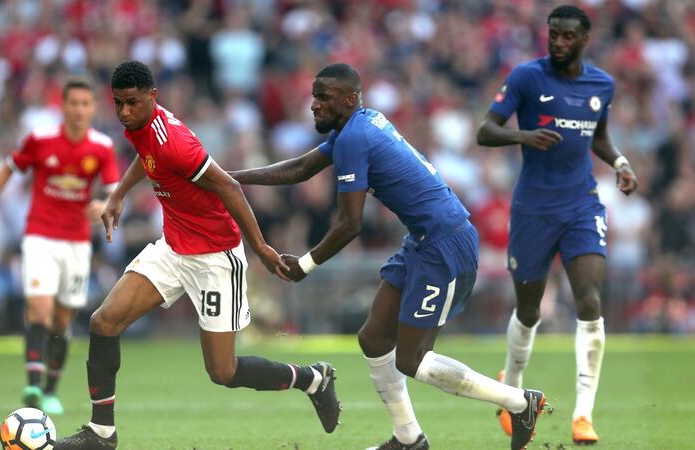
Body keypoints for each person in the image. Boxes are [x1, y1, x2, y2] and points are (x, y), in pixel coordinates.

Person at [231, 62, 545, 450]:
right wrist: (233, 179)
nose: (314, 104)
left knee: (412, 359)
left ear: (349, 100)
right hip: (424, 240)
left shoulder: (353, 137)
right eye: (314, 96)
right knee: (374, 338)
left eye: (323, 97)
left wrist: (305, 265)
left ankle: (520, 402)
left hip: (445, 244)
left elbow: (350, 225)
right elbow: (301, 167)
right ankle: (408, 438)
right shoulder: (359, 125)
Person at [54, 61, 340, 450]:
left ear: (152, 97)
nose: (124, 111)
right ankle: (101, 433)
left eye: (132, 103)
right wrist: (119, 193)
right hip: (173, 247)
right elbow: (145, 153)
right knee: (104, 322)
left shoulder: (176, 143)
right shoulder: (141, 125)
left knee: (223, 371)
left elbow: (229, 187)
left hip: (215, 256)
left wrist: (260, 248)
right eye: (118, 103)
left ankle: (313, 379)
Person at [475, 5, 638, 446]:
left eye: (568, 36)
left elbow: (598, 136)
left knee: (590, 300)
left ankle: (583, 414)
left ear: (584, 39)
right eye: (554, 35)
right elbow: (485, 131)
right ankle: (511, 391)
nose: (559, 42)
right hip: (533, 208)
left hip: (582, 204)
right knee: (529, 310)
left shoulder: (601, 85)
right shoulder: (527, 77)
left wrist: (621, 163)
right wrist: (523, 136)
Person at [0, 77, 121, 415]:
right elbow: (10, 167)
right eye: (74, 103)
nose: (79, 110)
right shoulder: (40, 139)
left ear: (93, 108)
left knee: (62, 320)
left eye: (85, 104)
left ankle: (51, 389)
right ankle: (33, 386)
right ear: (63, 106)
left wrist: (104, 205)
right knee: (39, 310)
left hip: (76, 243)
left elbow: (115, 192)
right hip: (39, 235)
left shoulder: (101, 147)